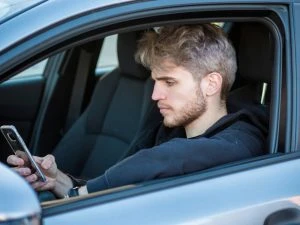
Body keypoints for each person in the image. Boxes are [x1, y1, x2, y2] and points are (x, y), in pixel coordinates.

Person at [7, 24, 266, 198]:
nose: (155, 95)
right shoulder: (167, 127)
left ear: (211, 84)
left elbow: (167, 159)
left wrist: (82, 195)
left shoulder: (242, 140)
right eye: (155, 81)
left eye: (170, 82)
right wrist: (60, 182)